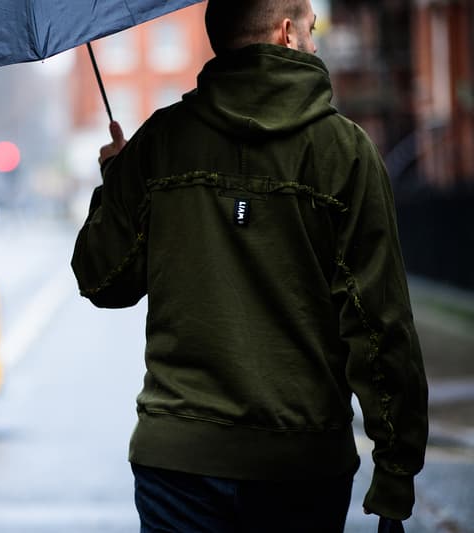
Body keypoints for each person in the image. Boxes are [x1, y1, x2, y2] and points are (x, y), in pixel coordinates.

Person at [70, 1, 428, 531]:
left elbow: (102, 278)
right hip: (301, 465)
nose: (315, 41)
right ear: (286, 34)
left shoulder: (161, 142)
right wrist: (396, 468)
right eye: (311, 29)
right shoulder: (345, 152)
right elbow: (379, 323)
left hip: (179, 464)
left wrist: (117, 183)